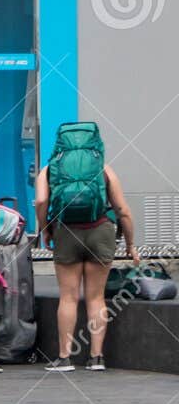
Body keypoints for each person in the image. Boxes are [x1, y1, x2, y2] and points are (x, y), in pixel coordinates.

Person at [35, 124, 138, 372]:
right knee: (96, 297)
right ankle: (96, 358)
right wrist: (131, 244)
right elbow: (123, 210)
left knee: (68, 297)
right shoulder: (103, 169)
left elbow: (40, 200)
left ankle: (64, 358)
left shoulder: (50, 170)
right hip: (100, 231)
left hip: (66, 232)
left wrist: (45, 228)